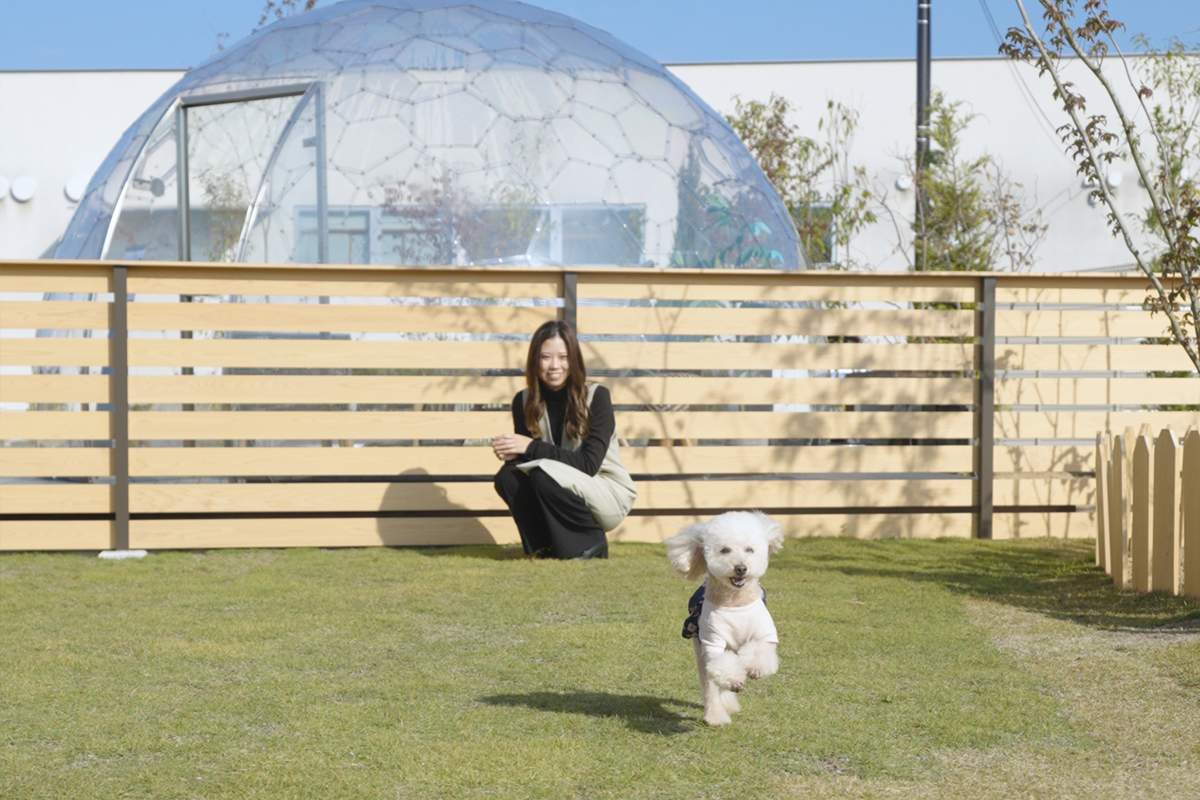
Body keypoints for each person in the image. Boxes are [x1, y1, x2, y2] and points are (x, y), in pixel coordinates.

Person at [492, 320, 637, 559]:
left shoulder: (597, 396)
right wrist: (512, 453)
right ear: (534, 360)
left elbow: (589, 465)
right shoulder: (524, 401)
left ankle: (591, 542)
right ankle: (544, 548)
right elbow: (524, 464)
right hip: (556, 483)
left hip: (605, 490)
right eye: (546, 357)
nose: (554, 365)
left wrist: (530, 447)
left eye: (563, 356)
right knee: (508, 477)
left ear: (574, 360)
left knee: (543, 473)